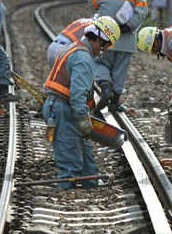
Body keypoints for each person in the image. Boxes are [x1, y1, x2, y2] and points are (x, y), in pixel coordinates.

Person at [42, 16, 121, 188]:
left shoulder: (73, 47)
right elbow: (77, 95)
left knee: (86, 157)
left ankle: (91, 183)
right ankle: (66, 195)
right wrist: (84, 118)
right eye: (106, 45)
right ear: (99, 38)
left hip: (63, 108)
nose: (105, 50)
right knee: (70, 164)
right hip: (64, 110)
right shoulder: (83, 58)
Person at [87, 0, 148, 112]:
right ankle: (115, 102)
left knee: (101, 63)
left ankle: (105, 87)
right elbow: (143, 12)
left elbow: (91, 2)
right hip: (126, 40)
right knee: (120, 69)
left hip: (104, 38)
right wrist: (127, 26)